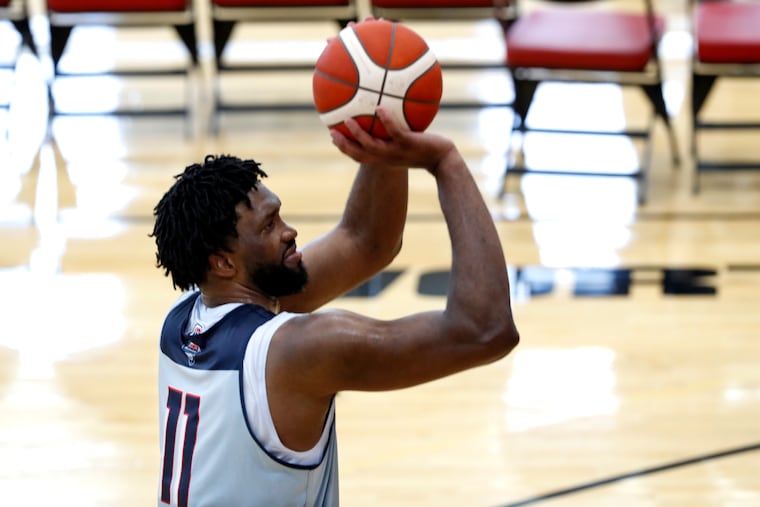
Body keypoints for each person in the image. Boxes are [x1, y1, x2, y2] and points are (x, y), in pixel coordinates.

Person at [151, 107, 520, 507]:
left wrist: (383, 132)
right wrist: (444, 161)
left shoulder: (185, 316)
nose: (290, 232)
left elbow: (365, 242)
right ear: (223, 263)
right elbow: (485, 330)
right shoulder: (295, 352)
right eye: (269, 225)